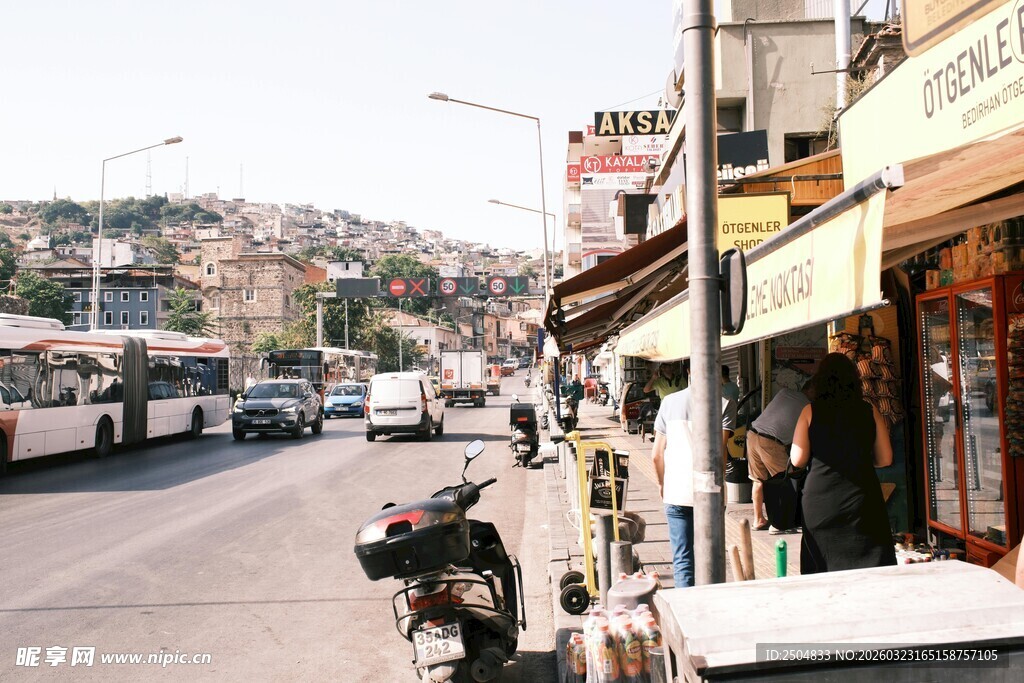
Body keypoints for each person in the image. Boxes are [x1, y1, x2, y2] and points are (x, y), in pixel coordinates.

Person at [790, 353, 896, 574]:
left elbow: (797, 460)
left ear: (821, 381)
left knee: (822, 569)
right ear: (854, 380)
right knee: (870, 571)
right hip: (862, 502)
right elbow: (885, 459)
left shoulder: (810, 411)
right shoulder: (869, 410)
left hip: (820, 504)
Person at [652, 383, 736, 588]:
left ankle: (685, 611)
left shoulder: (669, 402)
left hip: (676, 490)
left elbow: (656, 455)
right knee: (711, 557)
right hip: (710, 490)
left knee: (682, 559)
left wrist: (662, 483)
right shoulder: (725, 404)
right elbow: (720, 452)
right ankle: (708, 606)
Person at [747, 381, 812, 532]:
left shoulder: (785, 393)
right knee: (787, 481)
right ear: (811, 390)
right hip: (771, 441)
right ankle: (780, 524)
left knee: (758, 480)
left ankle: (758, 520)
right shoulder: (807, 405)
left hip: (753, 434)